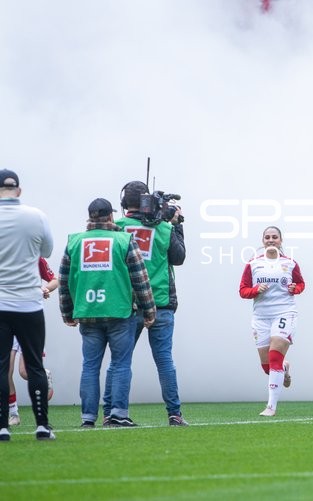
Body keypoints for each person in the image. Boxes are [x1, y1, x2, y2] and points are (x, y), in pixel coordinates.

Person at [59, 198, 156, 428]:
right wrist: (149, 311)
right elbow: (140, 279)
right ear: (111, 216)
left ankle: (88, 418)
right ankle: (118, 414)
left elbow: (64, 281)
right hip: (119, 312)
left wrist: (67, 312)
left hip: (87, 313)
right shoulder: (124, 240)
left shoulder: (74, 242)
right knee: (121, 364)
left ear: (90, 217)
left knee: (90, 366)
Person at [101, 181, 188, 426]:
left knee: (119, 361)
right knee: (164, 360)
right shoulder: (163, 227)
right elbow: (178, 258)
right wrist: (176, 224)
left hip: (128, 304)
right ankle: (175, 414)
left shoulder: (116, 228)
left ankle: (110, 412)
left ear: (123, 203)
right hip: (160, 302)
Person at [0, 169, 55, 441]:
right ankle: (42, 425)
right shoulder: (36, 216)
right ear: (18, 191)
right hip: (29, 304)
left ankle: (2, 427)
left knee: (1, 367)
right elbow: (46, 252)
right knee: (34, 366)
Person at [239, 226, 305, 417]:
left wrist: (295, 288)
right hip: (261, 317)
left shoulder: (290, 263)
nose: (271, 240)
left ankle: (271, 407)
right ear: (262, 240)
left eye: (274, 237)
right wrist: (255, 290)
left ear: (280, 240)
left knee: (275, 356)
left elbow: (301, 284)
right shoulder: (253, 264)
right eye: (267, 237)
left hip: (285, 312)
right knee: (268, 367)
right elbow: (243, 290)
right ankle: (284, 368)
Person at [7, 258, 58, 426]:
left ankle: (42, 421)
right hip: (6, 317)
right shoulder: (5, 255)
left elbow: (54, 279)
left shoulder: (36, 258)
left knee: (25, 372)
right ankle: (13, 413)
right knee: (6, 370)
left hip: (30, 316)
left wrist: (45, 288)